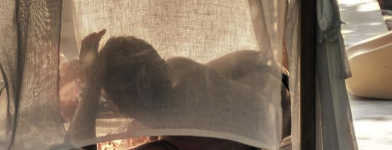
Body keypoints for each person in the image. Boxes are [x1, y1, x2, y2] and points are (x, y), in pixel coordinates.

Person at [67, 31, 288, 150]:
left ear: (119, 106)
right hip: (282, 99)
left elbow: (74, 147)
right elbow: (249, 61)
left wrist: (91, 88)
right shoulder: (180, 69)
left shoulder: (172, 145)